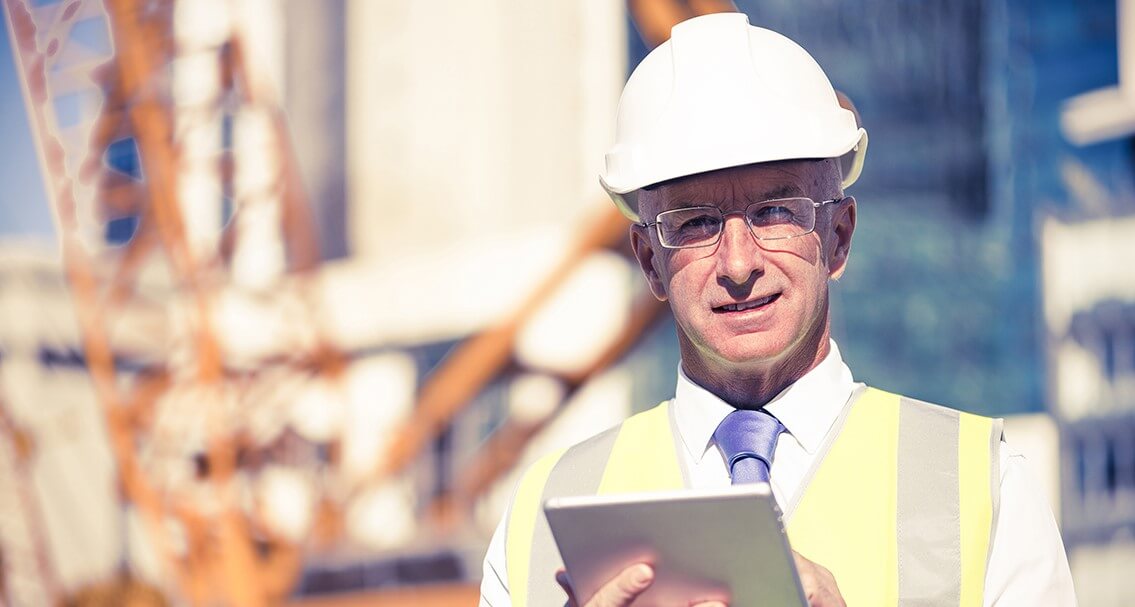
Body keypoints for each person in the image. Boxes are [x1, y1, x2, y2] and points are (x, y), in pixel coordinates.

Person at [479, 12, 1076, 607]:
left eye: (775, 212)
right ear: (649, 261)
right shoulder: (539, 522)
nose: (738, 264)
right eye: (695, 223)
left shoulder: (984, 489)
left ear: (838, 237)